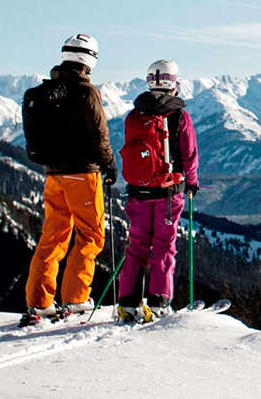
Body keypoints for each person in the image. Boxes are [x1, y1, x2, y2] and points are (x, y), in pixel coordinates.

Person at [18, 34, 115, 327]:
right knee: (90, 235)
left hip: (53, 174)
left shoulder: (48, 91)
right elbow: (99, 134)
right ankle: (75, 298)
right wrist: (109, 163)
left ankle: (39, 302)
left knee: (53, 235)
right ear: (90, 59)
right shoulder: (86, 91)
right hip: (82, 174)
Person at [114, 58, 200, 323]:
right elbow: (189, 154)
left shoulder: (134, 115)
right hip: (167, 193)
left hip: (138, 192)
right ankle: (160, 302)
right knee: (164, 246)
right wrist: (192, 182)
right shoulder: (179, 116)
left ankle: (127, 304)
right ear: (174, 83)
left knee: (136, 247)